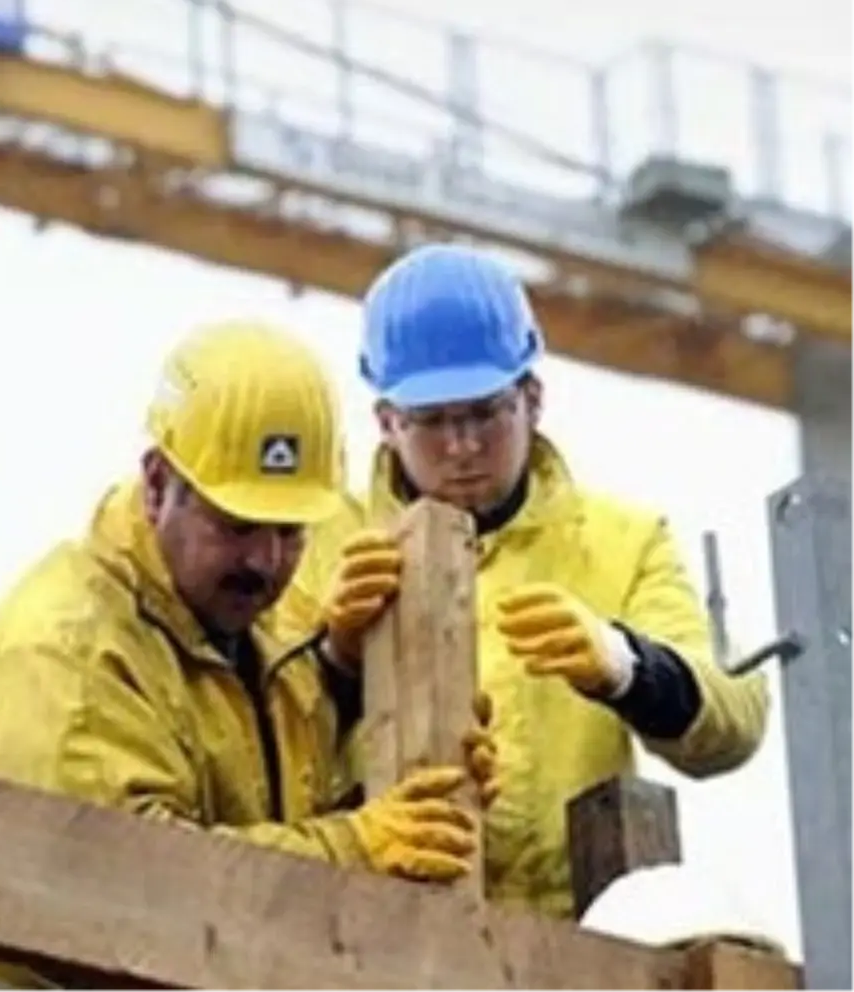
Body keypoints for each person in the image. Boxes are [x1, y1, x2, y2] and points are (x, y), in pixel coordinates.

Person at [0, 320, 496, 987]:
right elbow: (128, 896)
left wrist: (379, 731)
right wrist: (356, 849)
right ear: (159, 484)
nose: (265, 561)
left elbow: (265, 806)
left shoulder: (258, 630)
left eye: (290, 531)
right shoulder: (63, 656)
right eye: (236, 525)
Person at [294, 243, 770, 921]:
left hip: (574, 954)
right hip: (369, 939)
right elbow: (259, 757)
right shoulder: (315, 545)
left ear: (533, 399)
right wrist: (333, 662)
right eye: (432, 421)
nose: (461, 445)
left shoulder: (620, 543)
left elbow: (733, 723)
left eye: (486, 413)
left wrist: (625, 666)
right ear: (386, 423)